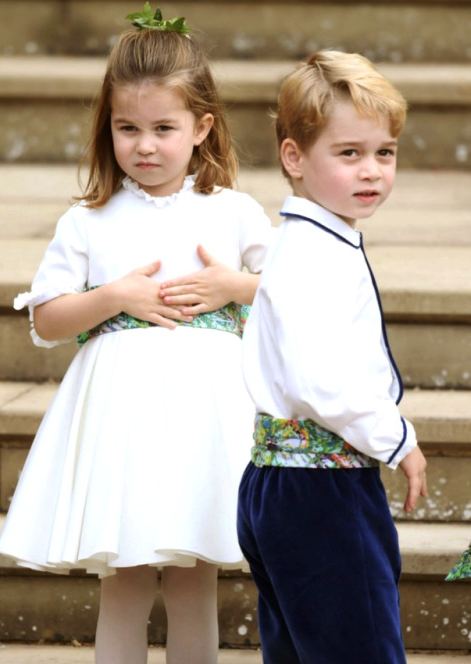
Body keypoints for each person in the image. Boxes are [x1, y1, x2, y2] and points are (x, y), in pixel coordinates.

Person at [0, 5, 271, 664]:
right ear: (108, 126)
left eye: (163, 128)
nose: (144, 145)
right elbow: (46, 319)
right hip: (122, 423)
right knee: (122, 580)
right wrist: (113, 295)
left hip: (204, 419)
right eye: (127, 128)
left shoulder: (233, 212)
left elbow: (291, 294)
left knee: (193, 579)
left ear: (201, 127)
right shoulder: (90, 221)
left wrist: (234, 287)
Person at [237, 50, 428, 664]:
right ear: (294, 157)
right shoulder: (312, 256)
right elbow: (320, 381)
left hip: (285, 487)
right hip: (322, 492)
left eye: (384, 152)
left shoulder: (314, 241)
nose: (371, 170)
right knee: (361, 649)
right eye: (349, 154)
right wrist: (395, 436)